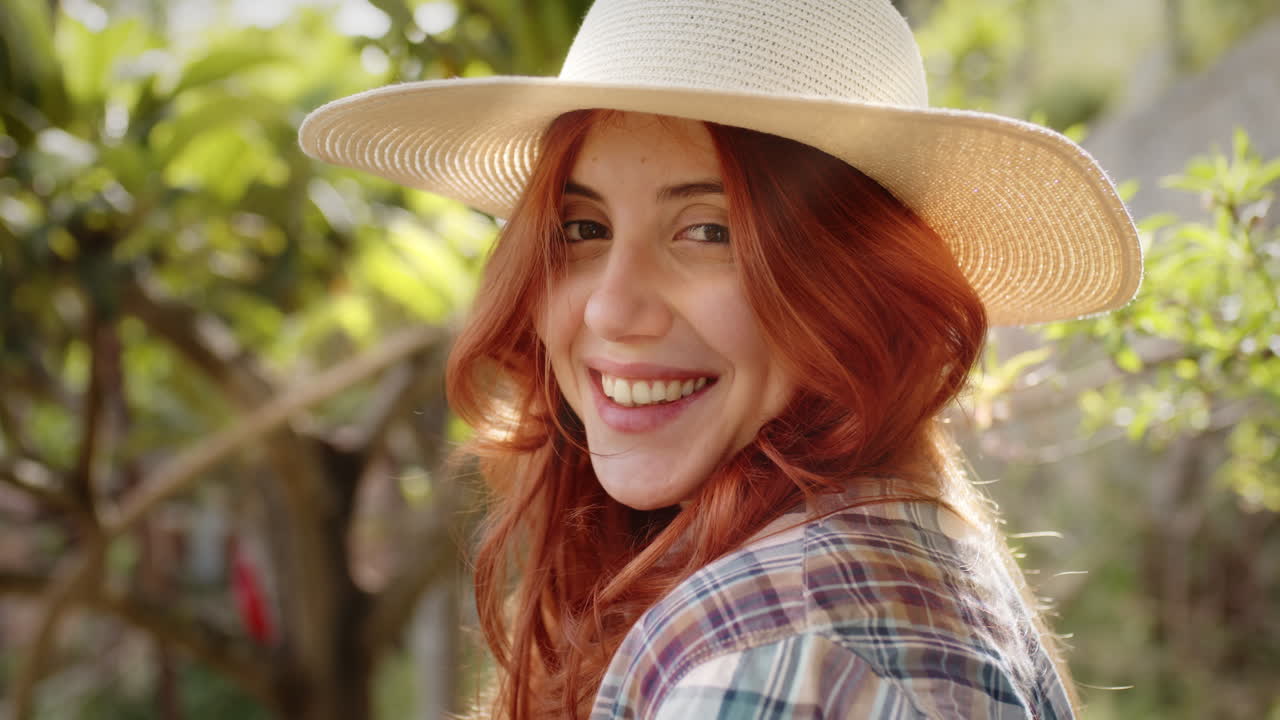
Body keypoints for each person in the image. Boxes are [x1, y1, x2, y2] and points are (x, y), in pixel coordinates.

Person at [300, 0, 1142, 717]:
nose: (611, 309)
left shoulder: (783, 661)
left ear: (856, 283)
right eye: (583, 229)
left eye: (709, 230)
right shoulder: (899, 542)